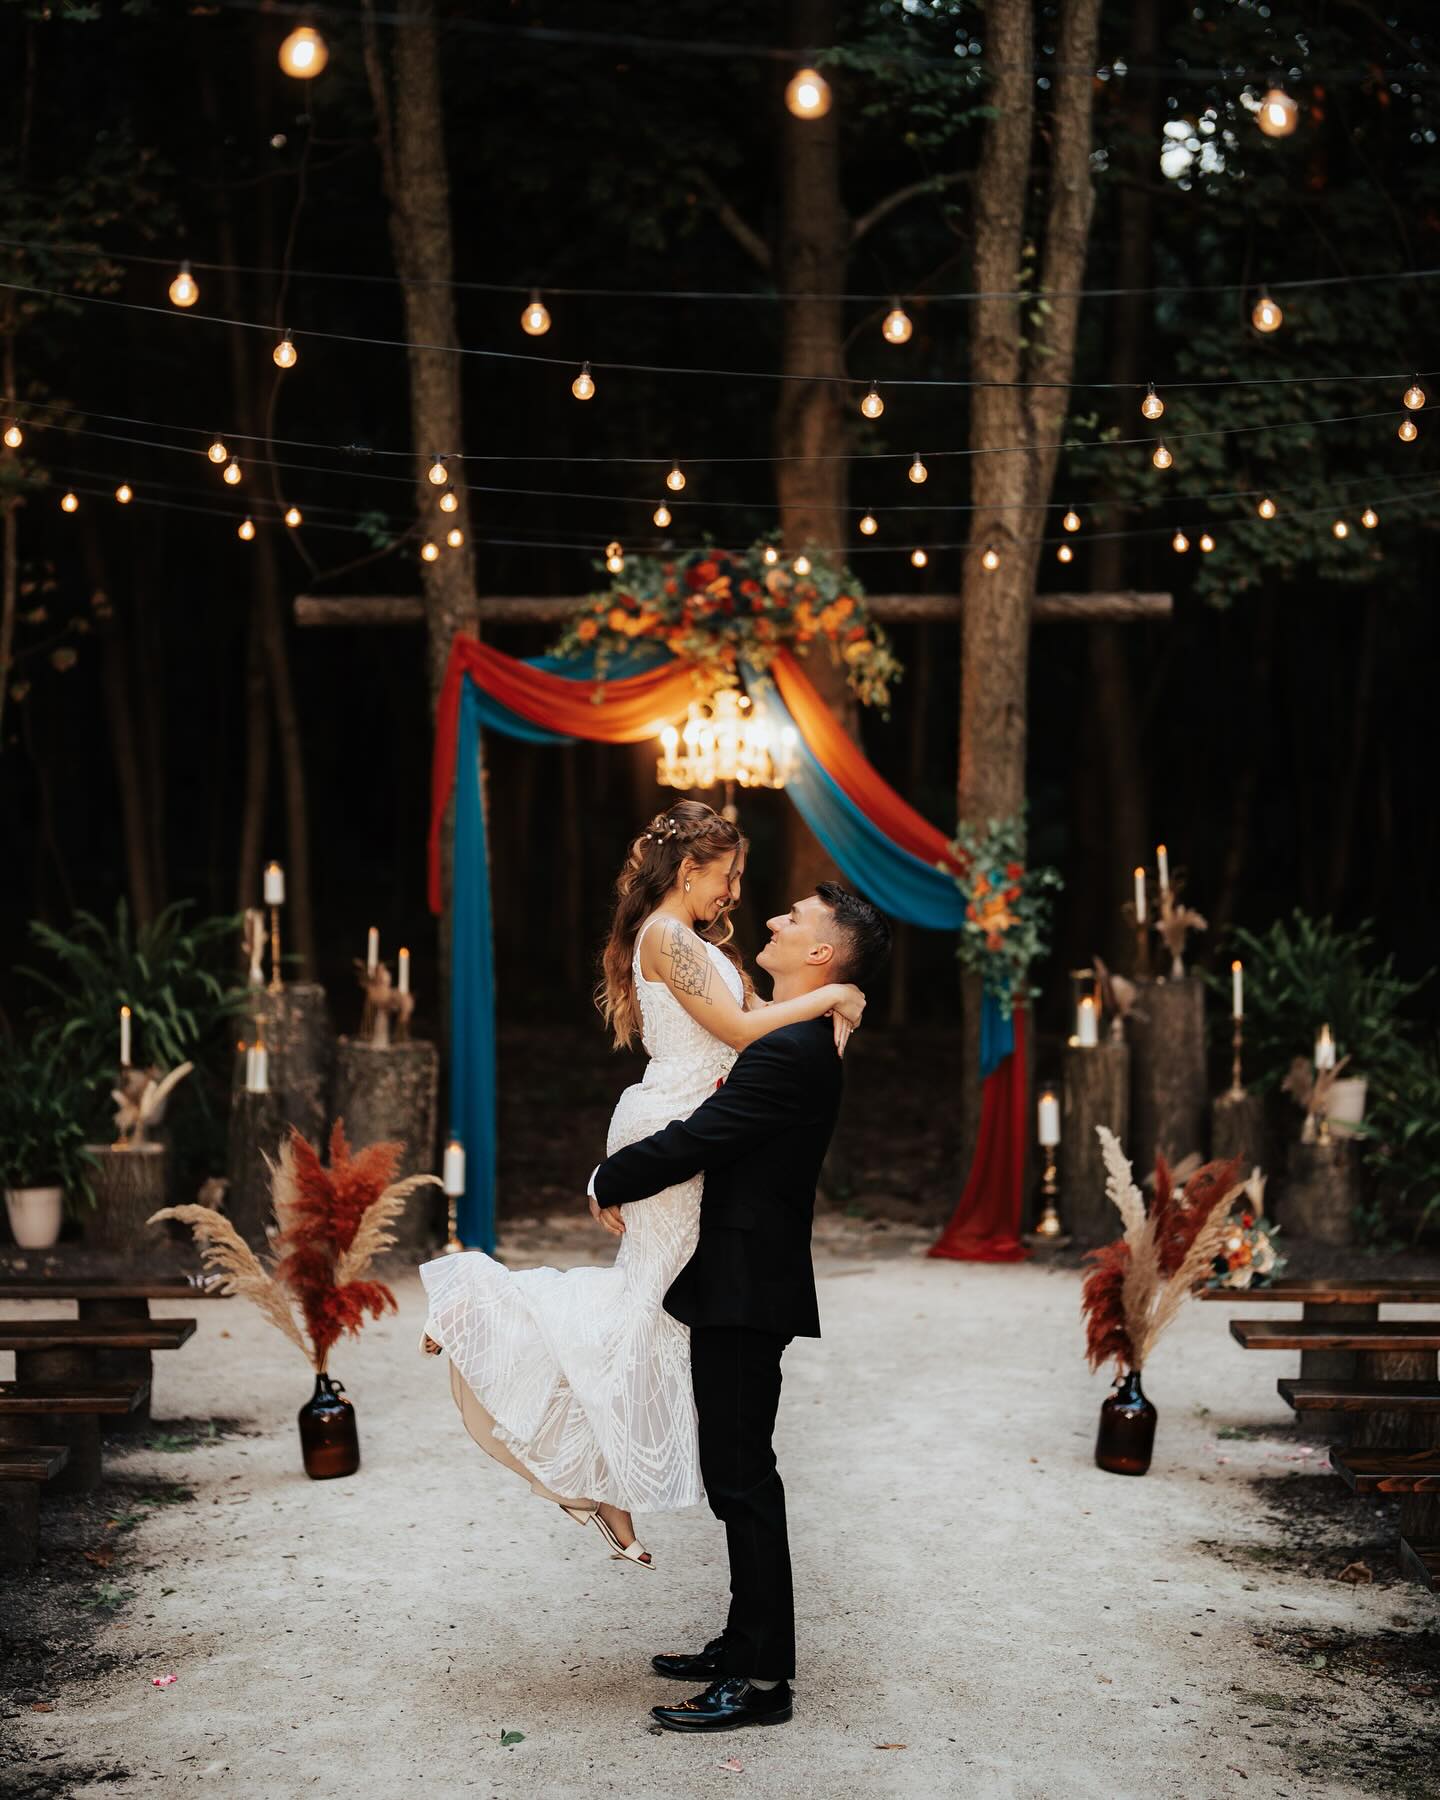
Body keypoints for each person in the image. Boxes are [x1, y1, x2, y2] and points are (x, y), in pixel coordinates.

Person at [417, 799, 866, 1569]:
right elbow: (738, 1032)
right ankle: (485, 1311)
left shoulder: (688, 942)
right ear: (689, 869)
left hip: (692, 1126)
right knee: (647, 1304)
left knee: (661, 1312)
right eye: (727, 875)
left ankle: (605, 1474)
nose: (734, 893)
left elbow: (760, 1013)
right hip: (672, 1132)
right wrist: (833, 995)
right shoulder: (665, 936)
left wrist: (823, 1007)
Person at [589, 879, 892, 1732]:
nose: (771, 919)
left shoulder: (793, 1051)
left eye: (794, 920)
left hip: (745, 1286)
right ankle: (743, 1643)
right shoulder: (799, 1033)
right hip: (741, 1280)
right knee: (739, 1476)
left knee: (744, 1481)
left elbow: (702, 1140)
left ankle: (761, 1683)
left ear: (824, 954)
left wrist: (608, 1175)